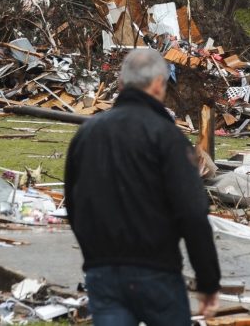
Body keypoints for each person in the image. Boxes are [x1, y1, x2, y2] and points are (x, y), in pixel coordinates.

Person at [65, 49, 220, 325]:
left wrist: (94, 254)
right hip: (157, 271)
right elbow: (193, 213)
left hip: (103, 273)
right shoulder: (168, 138)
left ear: (122, 85)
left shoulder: (87, 134)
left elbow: (74, 204)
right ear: (160, 84)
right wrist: (208, 281)